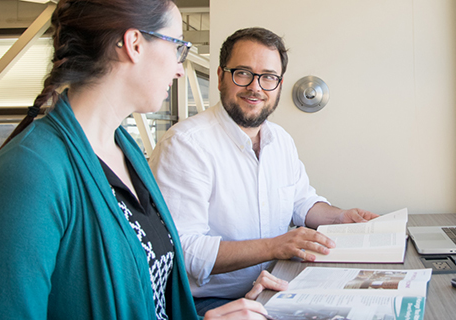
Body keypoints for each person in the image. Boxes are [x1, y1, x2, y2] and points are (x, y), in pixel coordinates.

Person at [0, 1, 272, 319]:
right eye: (178, 47)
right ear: (134, 44)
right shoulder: (30, 169)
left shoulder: (125, 149)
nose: (180, 68)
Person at [149, 27, 379, 314]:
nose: (256, 87)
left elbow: (301, 202)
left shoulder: (280, 140)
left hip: (276, 286)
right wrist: (275, 246)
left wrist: (342, 217)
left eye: (268, 77)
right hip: (211, 305)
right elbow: (184, 251)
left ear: (279, 85)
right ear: (220, 77)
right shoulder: (186, 144)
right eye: (243, 73)